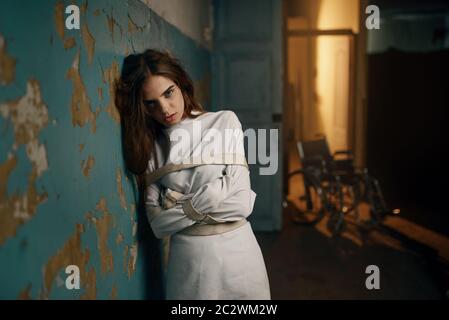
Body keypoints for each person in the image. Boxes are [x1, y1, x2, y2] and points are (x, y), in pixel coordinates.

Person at [115, 48, 270, 300]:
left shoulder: (224, 122)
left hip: (240, 257)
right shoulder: (151, 149)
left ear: (181, 84)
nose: (164, 109)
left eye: (169, 93)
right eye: (151, 103)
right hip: (189, 262)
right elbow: (158, 225)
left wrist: (178, 203)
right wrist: (214, 192)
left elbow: (241, 205)